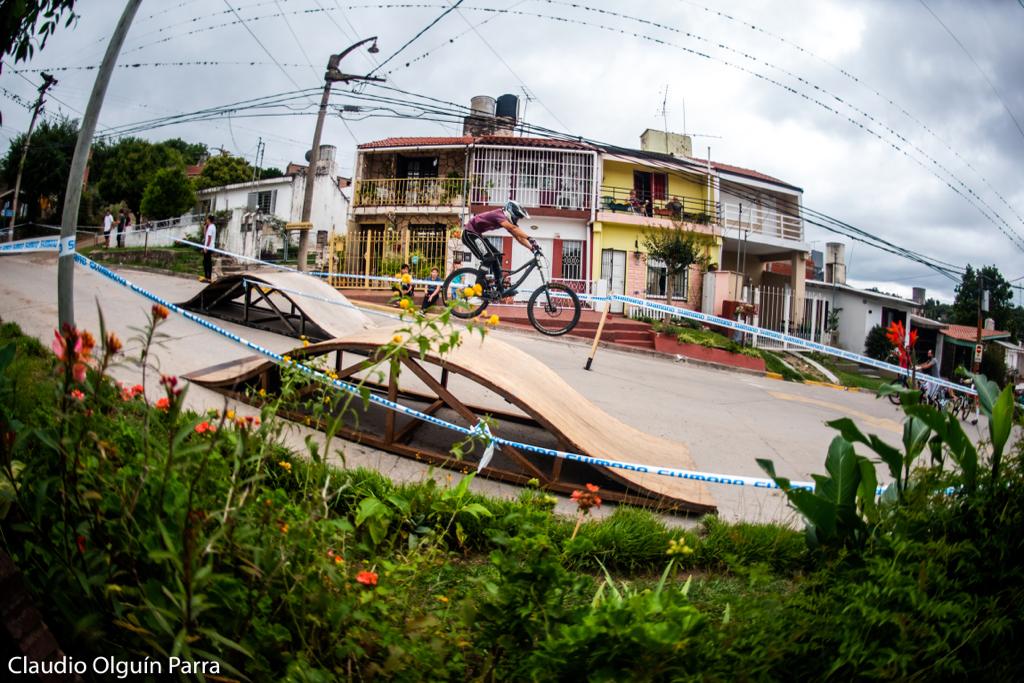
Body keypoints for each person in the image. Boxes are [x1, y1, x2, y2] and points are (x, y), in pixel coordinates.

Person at [462, 200, 538, 297]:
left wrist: (532, 248)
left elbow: (518, 237)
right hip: (469, 233)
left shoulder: (505, 220)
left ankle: (500, 289)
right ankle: (479, 286)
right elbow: (514, 228)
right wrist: (529, 237)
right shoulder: (499, 215)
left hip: (477, 235)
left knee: (497, 256)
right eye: (517, 217)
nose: (517, 220)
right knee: (489, 257)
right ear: (511, 212)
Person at [202, 215, 216, 282]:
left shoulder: (211, 227)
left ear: (209, 220)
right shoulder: (211, 227)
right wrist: (205, 228)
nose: (206, 220)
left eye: (207, 219)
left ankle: (208, 278)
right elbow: (206, 236)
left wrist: (206, 247)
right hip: (209, 247)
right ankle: (207, 277)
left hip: (209, 247)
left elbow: (209, 238)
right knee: (206, 262)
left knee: (207, 262)